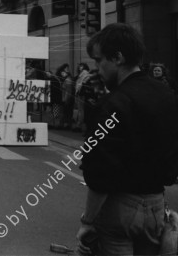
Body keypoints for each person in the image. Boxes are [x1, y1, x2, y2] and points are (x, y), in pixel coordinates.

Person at [76, 23, 178, 256]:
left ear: (118, 57)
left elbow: (100, 170)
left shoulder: (114, 104)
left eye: (100, 61)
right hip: (155, 204)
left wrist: (88, 221)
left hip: (120, 209)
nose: (97, 69)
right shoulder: (166, 95)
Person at [56, 64, 74, 130]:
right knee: (67, 112)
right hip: (66, 98)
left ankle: (64, 125)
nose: (62, 74)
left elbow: (68, 92)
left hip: (66, 99)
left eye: (63, 73)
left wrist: (65, 100)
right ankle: (66, 125)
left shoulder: (68, 80)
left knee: (65, 112)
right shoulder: (67, 79)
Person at [74, 63, 91, 133]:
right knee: (81, 110)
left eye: (81, 66)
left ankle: (79, 125)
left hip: (81, 94)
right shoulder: (83, 74)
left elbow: (80, 84)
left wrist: (77, 92)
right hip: (80, 93)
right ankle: (79, 125)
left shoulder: (84, 74)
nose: (79, 67)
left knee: (81, 110)